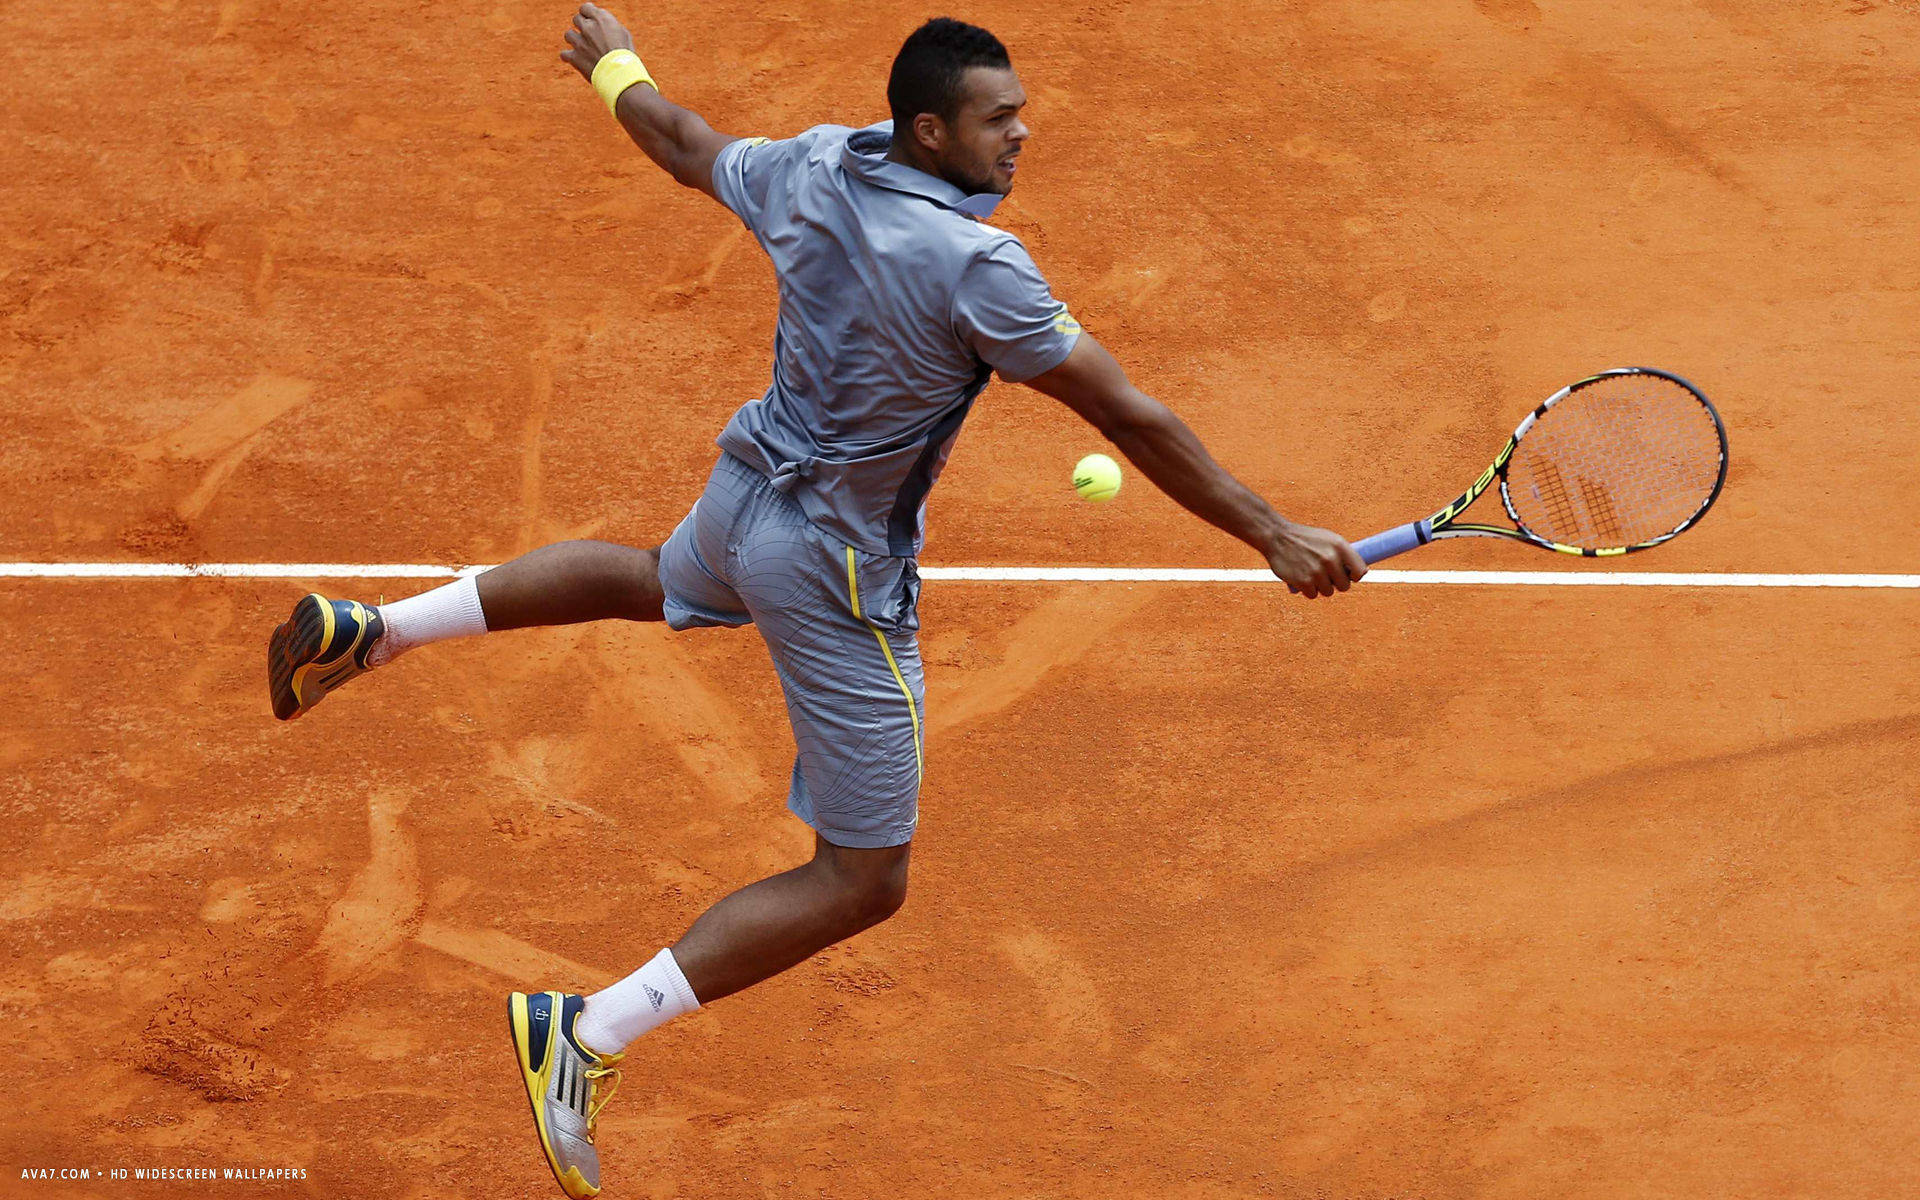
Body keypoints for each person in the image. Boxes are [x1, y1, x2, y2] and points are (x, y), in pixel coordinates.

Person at [265, 8, 1365, 1196]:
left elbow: (683, 140)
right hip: (835, 571)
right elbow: (1131, 419)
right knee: (862, 878)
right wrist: (1272, 532)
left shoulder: (813, 165)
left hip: (746, 499)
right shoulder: (977, 267)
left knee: (649, 579)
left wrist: (615, 66)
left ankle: (372, 632)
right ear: (931, 128)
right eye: (1000, 119)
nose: (1022, 134)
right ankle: (585, 1034)